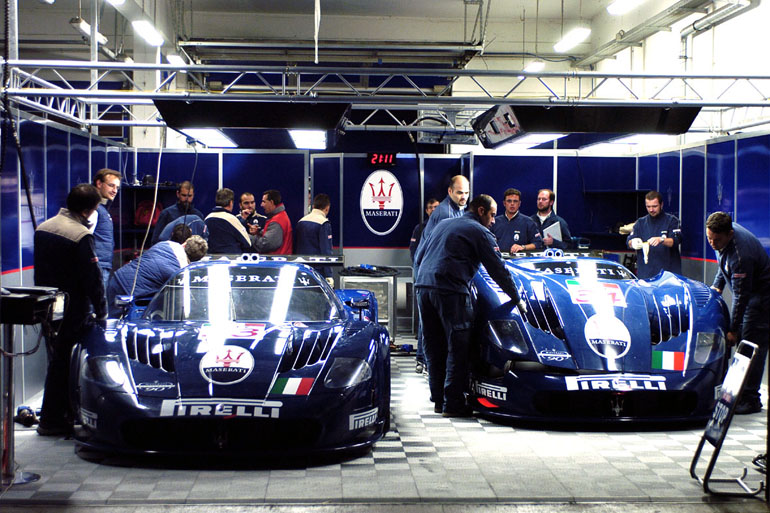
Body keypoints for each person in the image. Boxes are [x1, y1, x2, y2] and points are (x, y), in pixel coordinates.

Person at [414, 194, 524, 417]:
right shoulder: (480, 232)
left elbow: (420, 255)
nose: (494, 220)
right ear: (481, 211)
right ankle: (452, 403)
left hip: (423, 286)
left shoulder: (443, 224)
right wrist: (517, 298)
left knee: (434, 346)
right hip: (450, 289)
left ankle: (438, 399)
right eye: (492, 215)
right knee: (459, 344)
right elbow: (498, 269)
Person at [34, 184, 106, 436]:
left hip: (46, 305)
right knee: (68, 363)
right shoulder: (80, 235)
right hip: (73, 308)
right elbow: (92, 279)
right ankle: (54, 419)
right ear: (88, 210)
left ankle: (54, 415)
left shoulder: (43, 228)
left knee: (56, 361)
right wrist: (102, 311)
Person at [707, 211, 770, 414]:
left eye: (716, 240)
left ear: (730, 234)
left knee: (750, 347)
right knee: (744, 344)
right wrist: (716, 287)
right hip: (749, 297)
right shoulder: (721, 237)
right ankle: (739, 394)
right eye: (709, 238)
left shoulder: (741, 256)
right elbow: (722, 263)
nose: (712, 243)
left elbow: (741, 297)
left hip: (760, 300)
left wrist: (733, 330)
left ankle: (751, 399)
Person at [107, 227, 208, 317]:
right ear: (195, 260)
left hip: (117, 277)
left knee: (110, 323)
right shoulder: (178, 275)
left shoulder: (164, 244)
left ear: (185, 244)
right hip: (128, 292)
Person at [409, 197, 439, 374]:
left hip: (441, 280)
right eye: (431, 208)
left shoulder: (446, 226)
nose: (434, 210)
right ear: (427, 211)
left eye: (437, 207)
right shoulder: (420, 229)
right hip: (424, 281)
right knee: (425, 321)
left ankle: (432, 360)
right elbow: (414, 255)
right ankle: (421, 358)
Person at [627, 191, 682, 279]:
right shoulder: (640, 223)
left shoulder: (672, 221)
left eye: (654, 206)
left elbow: (676, 240)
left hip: (668, 275)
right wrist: (633, 243)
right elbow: (629, 241)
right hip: (645, 274)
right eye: (648, 207)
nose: (651, 210)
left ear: (661, 205)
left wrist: (661, 240)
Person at [89, 168, 121, 290]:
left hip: (102, 265)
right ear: (99, 183)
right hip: (97, 267)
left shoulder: (100, 209)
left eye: (117, 187)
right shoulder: (94, 209)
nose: (114, 191)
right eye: (111, 186)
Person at [418, 175, 469, 246]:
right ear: (450, 191)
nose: (464, 197)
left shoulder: (459, 207)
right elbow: (446, 248)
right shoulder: (446, 214)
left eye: (466, 193)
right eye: (459, 193)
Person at [294, 193, 334, 281]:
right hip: (318, 270)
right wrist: (329, 275)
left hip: (301, 267)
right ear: (327, 208)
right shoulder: (324, 223)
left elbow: (295, 246)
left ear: (313, 206)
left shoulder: (301, 221)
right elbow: (326, 251)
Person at [151, 180, 204, 245]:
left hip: (192, 252)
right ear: (178, 194)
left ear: (193, 196)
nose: (187, 199)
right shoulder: (167, 214)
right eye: (184, 195)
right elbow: (156, 240)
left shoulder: (198, 215)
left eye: (189, 196)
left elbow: (203, 239)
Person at [205, 188, 255, 254]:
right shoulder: (232, 219)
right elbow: (247, 242)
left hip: (211, 260)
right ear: (231, 203)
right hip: (231, 260)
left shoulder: (207, 219)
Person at [491, 188, 541, 253]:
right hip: (498, 259)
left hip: (519, 261)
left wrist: (523, 247)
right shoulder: (494, 222)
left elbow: (538, 243)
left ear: (519, 203)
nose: (512, 204)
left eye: (515, 201)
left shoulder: (528, 222)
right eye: (509, 201)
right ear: (504, 203)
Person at [254, 189, 293, 254]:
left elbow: (265, 245)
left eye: (264, 202)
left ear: (271, 202)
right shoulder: (280, 216)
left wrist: (251, 238)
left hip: (276, 262)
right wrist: (258, 233)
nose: (261, 205)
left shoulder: (277, 221)